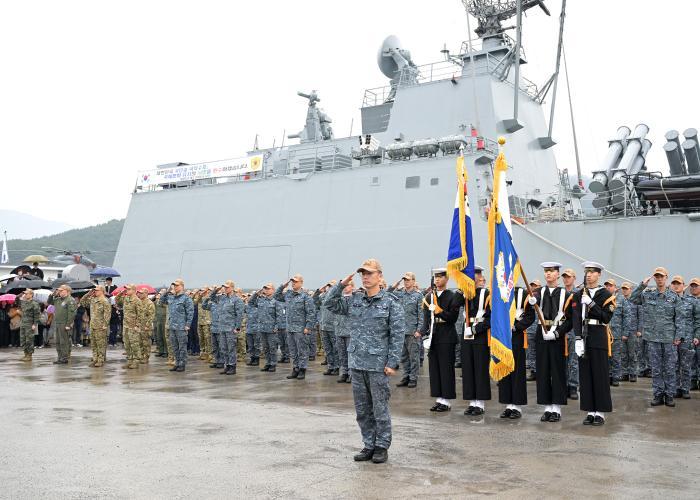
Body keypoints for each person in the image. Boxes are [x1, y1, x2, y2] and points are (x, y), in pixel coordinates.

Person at [325, 258, 404, 464]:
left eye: (369, 273)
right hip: (357, 363)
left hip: (378, 365)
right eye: (363, 273)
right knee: (362, 410)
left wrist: (392, 362)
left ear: (380, 276)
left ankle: (381, 445)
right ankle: (368, 444)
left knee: (380, 409)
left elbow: (397, 334)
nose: (366, 277)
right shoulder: (355, 300)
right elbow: (329, 303)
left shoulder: (390, 303)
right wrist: (341, 285)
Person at [630, 267, 681, 407]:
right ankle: (658, 394)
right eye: (657, 276)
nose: (659, 279)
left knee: (670, 368)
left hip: (669, 338)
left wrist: (678, 336)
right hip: (653, 339)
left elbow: (679, 319)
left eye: (662, 276)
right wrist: (642, 285)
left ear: (666, 278)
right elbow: (633, 299)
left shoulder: (674, 297)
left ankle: (669, 395)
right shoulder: (648, 295)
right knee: (656, 368)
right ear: (654, 278)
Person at [572, 262, 615, 426]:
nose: (588, 275)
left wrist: (591, 304)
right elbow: (576, 317)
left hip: (598, 336)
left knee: (600, 374)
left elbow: (605, 317)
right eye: (586, 272)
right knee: (586, 375)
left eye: (592, 272)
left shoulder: (606, 294)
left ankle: (601, 412)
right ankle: (590, 411)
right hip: (584, 336)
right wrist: (577, 338)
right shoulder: (578, 294)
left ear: (599, 275)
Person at [532, 262, 573, 423]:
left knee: (557, 371)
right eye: (546, 272)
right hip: (541, 334)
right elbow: (534, 300)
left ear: (557, 274)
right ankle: (547, 407)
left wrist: (557, 333)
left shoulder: (566, 294)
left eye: (551, 271)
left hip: (557, 335)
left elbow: (569, 320)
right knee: (542, 371)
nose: (548, 274)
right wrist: (531, 301)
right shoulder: (539, 292)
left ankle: (556, 408)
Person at [419, 268, 461, 412]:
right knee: (434, 369)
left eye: (440, 277)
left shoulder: (452, 296)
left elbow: (452, 318)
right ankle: (438, 398)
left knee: (445, 369)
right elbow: (426, 318)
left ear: (446, 279)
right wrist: (421, 332)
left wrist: (439, 311)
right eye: (435, 277)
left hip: (447, 335)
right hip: (433, 335)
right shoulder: (430, 296)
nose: (437, 280)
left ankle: (447, 400)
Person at [498, 284, 536, 419]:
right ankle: (508, 405)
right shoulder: (500, 291)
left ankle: (517, 406)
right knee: (505, 368)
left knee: (517, 370)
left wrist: (517, 327)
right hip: (502, 335)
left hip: (517, 334)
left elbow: (530, 316)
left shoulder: (523, 293)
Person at [461, 266, 492, 416]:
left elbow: (490, 318)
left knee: (480, 369)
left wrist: (475, 329)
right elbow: (454, 305)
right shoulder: (465, 295)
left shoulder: (487, 295)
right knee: (468, 369)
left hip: (479, 335)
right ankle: (471, 401)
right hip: (466, 335)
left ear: (480, 278)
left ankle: (480, 402)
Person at [275, 274, 316, 380]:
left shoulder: (305, 296)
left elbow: (311, 313)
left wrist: (308, 327)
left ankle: (302, 369)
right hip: (290, 328)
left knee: (302, 350)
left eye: (296, 281)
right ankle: (295, 368)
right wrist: (283, 286)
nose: (293, 283)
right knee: (293, 350)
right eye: (292, 281)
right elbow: (276, 296)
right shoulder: (288, 295)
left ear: (301, 283)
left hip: (301, 328)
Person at [389, 272, 424, 389]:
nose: (406, 282)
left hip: (413, 331)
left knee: (413, 357)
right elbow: (387, 294)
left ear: (414, 281)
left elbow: (421, 314)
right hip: (401, 331)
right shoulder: (400, 294)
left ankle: (413, 378)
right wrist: (394, 285)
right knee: (403, 357)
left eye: (408, 280)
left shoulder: (419, 296)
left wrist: (419, 330)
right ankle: (406, 377)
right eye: (404, 280)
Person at [669, 276, 699, 400]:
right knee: (674, 365)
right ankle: (676, 388)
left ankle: (685, 389)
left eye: (678, 283)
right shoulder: (668, 300)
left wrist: (697, 335)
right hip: (671, 338)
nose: (676, 286)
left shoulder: (691, 301)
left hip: (687, 337)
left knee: (686, 365)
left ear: (683, 285)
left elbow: (697, 320)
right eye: (674, 283)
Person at [208, 280, 245, 375]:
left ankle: (232, 366)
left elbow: (239, 315)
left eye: (227, 287)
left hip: (231, 328)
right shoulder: (221, 298)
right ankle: (227, 365)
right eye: (225, 287)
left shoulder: (237, 300)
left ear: (232, 288)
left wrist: (237, 327)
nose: (225, 289)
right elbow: (211, 297)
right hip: (222, 327)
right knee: (223, 348)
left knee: (231, 348)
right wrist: (217, 289)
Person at [159, 279, 194, 372]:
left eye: (177, 285)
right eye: (174, 285)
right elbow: (161, 301)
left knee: (182, 347)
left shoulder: (186, 298)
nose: (175, 287)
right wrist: (167, 291)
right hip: (172, 326)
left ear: (182, 286)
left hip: (181, 327)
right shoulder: (171, 297)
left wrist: (188, 325)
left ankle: (182, 364)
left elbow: (190, 312)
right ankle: (177, 363)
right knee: (174, 346)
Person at [249, 283, 285, 373]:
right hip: (262, 328)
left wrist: (277, 326)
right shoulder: (261, 300)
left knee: (272, 347)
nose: (266, 290)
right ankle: (268, 363)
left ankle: (273, 364)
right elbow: (251, 302)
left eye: (268, 288)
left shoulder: (276, 301)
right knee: (265, 348)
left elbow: (279, 316)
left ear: (273, 290)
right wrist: (257, 293)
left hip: (272, 329)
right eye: (265, 288)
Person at [80, 287, 112, 367]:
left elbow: (107, 314)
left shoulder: (105, 301)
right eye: (94, 290)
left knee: (100, 344)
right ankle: (95, 359)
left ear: (102, 291)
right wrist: (88, 294)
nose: (95, 292)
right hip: (93, 324)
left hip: (101, 326)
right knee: (93, 344)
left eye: (97, 290)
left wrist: (105, 325)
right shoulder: (93, 300)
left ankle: (100, 360)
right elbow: (82, 302)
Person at [314, 281, 339, 376]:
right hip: (323, 326)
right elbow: (315, 301)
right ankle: (330, 366)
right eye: (328, 286)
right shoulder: (323, 297)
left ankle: (336, 367)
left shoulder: (336, 297)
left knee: (335, 349)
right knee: (327, 349)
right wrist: (319, 291)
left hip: (333, 327)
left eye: (331, 286)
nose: (329, 288)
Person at [562, 269, 580, 399]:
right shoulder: (559, 293)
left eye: (569, 277)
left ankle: (573, 386)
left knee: (574, 360)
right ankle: (562, 385)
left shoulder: (578, 294)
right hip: (560, 330)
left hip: (574, 331)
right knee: (561, 359)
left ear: (574, 278)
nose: (566, 279)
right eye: (564, 277)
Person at [618, 282, 642, 382]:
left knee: (632, 354)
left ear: (630, 290)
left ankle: (633, 373)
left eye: (626, 289)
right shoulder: (619, 301)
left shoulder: (635, 301)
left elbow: (641, 316)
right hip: (622, 331)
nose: (624, 290)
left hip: (633, 331)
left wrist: (639, 330)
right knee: (623, 354)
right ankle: (624, 373)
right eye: (623, 288)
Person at [48, 285, 77, 364]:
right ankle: (60, 357)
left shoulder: (70, 300)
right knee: (57, 341)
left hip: (64, 323)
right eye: (59, 291)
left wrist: (68, 324)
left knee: (64, 341)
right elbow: (49, 302)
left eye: (61, 291)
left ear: (67, 291)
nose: (59, 292)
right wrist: (53, 294)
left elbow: (71, 314)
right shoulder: (57, 299)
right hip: (57, 322)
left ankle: (64, 358)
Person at [333, 280, 355, 383]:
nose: (346, 287)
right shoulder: (338, 299)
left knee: (351, 354)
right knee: (341, 354)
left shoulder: (355, 299)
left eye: (348, 285)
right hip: (339, 329)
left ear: (352, 287)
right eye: (344, 286)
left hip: (350, 331)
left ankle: (351, 373)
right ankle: (344, 372)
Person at [117, 285, 140, 369]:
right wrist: (121, 293)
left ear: (134, 290)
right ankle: (130, 361)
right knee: (127, 344)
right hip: (126, 325)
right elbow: (117, 301)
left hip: (133, 326)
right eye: (126, 289)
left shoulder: (137, 300)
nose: (126, 290)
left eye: (128, 289)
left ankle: (136, 361)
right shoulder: (126, 299)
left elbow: (140, 315)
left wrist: (137, 325)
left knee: (134, 344)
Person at [606, 278, 623, 387]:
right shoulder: (603, 299)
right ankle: (607, 376)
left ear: (615, 288)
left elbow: (627, 317)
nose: (608, 287)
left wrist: (625, 332)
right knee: (606, 357)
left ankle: (615, 377)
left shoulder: (621, 300)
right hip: (604, 333)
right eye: (606, 285)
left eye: (610, 285)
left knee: (616, 357)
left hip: (616, 333)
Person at [526, 279, 542, 381]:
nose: (533, 287)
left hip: (540, 327)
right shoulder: (528, 297)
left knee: (540, 351)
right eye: (532, 285)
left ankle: (540, 371)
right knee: (531, 351)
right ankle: (533, 371)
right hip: (531, 328)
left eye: (536, 286)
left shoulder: (542, 296)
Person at [19, 289, 41, 362]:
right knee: (23, 339)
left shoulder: (34, 304)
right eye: (25, 294)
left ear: (31, 294)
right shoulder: (24, 303)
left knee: (29, 340)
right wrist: (21, 295)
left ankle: (29, 355)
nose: (26, 295)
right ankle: (25, 354)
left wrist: (34, 324)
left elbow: (37, 315)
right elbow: (16, 301)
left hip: (30, 324)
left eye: (27, 293)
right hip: (23, 323)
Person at [136, 287, 155, 364]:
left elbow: (151, 315)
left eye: (141, 293)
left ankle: (146, 357)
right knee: (140, 342)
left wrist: (147, 325)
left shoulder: (149, 303)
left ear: (146, 294)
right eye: (139, 293)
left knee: (146, 342)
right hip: (139, 325)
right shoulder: (139, 302)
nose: (139, 295)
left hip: (146, 326)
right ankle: (141, 356)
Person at [687, 278, 700, 392]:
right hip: (689, 335)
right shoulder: (686, 300)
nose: (693, 287)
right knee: (691, 359)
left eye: (696, 286)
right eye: (692, 286)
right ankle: (692, 381)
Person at [154, 290, 167, 356]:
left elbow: (163, 304)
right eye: (160, 292)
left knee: (164, 336)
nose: (160, 293)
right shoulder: (157, 301)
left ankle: (166, 351)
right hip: (158, 319)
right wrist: (156, 296)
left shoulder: (165, 300)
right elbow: (152, 300)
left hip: (164, 319)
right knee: (159, 336)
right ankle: (161, 350)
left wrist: (163, 295)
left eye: (162, 292)